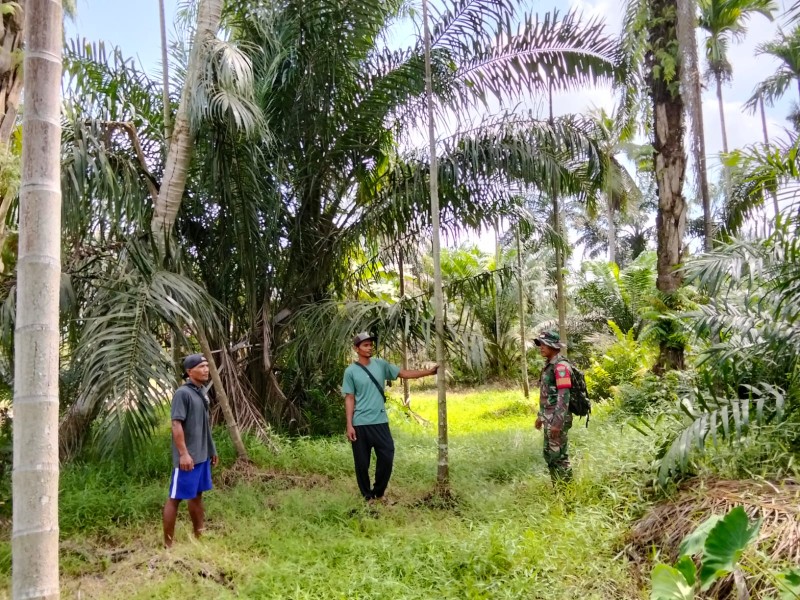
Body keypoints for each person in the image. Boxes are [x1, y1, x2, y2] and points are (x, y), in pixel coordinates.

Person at [343, 331, 438, 503]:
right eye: (365, 345)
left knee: (387, 455)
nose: (369, 348)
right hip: (360, 423)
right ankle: (367, 497)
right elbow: (349, 398)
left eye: (371, 345)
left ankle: (379, 493)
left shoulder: (381, 365)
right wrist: (349, 425)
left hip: (380, 421)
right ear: (356, 349)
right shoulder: (350, 371)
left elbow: (403, 373)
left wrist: (429, 373)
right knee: (362, 463)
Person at [162, 353, 218, 547]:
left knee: (197, 496)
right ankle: (167, 545)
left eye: (206, 366)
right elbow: (176, 424)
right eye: (201, 366)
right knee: (175, 498)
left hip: (202, 456)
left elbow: (204, 425)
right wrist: (184, 454)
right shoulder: (182, 393)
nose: (206, 369)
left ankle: (199, 536)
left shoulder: (200, 392)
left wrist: (212, 450)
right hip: (188, 459)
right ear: (189, 371)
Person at [534, 330, 573, 484]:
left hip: (557, 419)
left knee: (559, 457)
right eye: (540, 344)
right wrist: (540, 416)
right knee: (550, 455)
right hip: (549, 418)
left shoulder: (561, 367)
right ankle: (558, 489)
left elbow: (564, 396)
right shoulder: (549, 366)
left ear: (553, 346)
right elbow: (547, 395)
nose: (541, 347)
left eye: (544, 344)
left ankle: (566, 491)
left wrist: (557, 423)